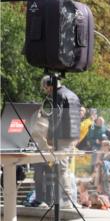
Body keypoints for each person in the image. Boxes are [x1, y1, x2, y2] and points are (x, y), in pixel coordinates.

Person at [33, 75, 81, 208]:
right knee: (66, 168)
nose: (46, 91)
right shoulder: (73, 95)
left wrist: (49, 136)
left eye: (46, 87)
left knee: (62, 169)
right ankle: (67, 199)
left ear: (50, 85)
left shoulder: (57, 96)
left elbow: (56, 117)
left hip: (62, 137)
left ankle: (66, 201)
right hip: (73, 136)